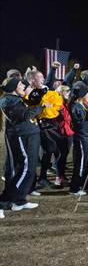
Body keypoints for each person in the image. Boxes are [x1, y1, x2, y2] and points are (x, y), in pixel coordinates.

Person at [0, 77, 48, 215]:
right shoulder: (9, 101)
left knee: (30, 170)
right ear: (14, 87)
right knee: (25, 170)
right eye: (21, 84)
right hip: (22, 136)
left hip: (29, 135)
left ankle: (19, 200)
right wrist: (42, 107)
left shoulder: (16, 99)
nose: (23, 86)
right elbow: (25, 115)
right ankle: (3, 202)